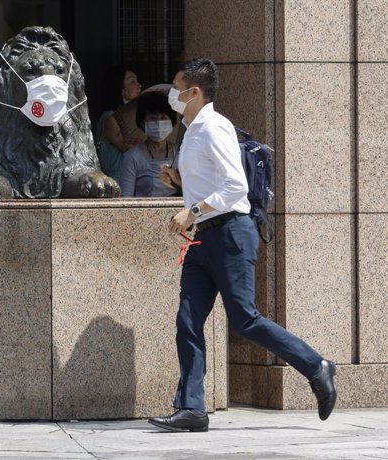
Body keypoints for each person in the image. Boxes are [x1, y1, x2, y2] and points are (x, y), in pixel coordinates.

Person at [149, 58, 337, 433]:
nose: (172, 94)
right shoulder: (191, 130)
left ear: (194, 92)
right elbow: (211, 185)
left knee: (244, 319)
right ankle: (192, 408)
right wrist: (179, 183)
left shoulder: (214, 127)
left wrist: (191, 211)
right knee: (187, 320)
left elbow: (235, 188)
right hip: (204, 237)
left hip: (231, 233)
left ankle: (317, 366)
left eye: (176, 87)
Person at [119, 91, 178, 197]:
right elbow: (126, 198)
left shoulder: (180, 153)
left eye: (163, 117)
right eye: (153, 118)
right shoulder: (132, 157)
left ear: (171, 121)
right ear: (142, 122)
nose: (159, 122)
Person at [95, 66, 142, 183]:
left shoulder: (130, 116)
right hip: (118, 183)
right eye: (132, 81)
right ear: (121, 90)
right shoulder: (111, 118)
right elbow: (128, 147)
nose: (139, 85)